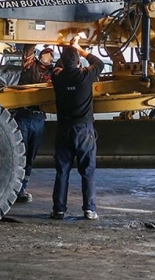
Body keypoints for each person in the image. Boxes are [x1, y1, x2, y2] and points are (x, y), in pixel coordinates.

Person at [49, 37, 104, 220]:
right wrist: (79, 49)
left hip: (64, 130)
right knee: (87, 171)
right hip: (83, 131)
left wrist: (64, 54)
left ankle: (59, 210)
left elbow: (56, 67)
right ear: (79, 62)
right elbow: (99, 62)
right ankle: (89, 209)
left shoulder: (57, 77)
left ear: (62, 63)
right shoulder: (85, 75)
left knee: (62, 171)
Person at [13, 45, 54, 204]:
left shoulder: (54, 72)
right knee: (19, 153)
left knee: (30, 157)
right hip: (24, 116)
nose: (47, 56)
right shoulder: (30, 66)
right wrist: (39, 37)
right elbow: (28, 51)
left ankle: (22, 188)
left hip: (38, 118)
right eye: (46, 53)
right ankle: (13, 187)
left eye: (50, 54)